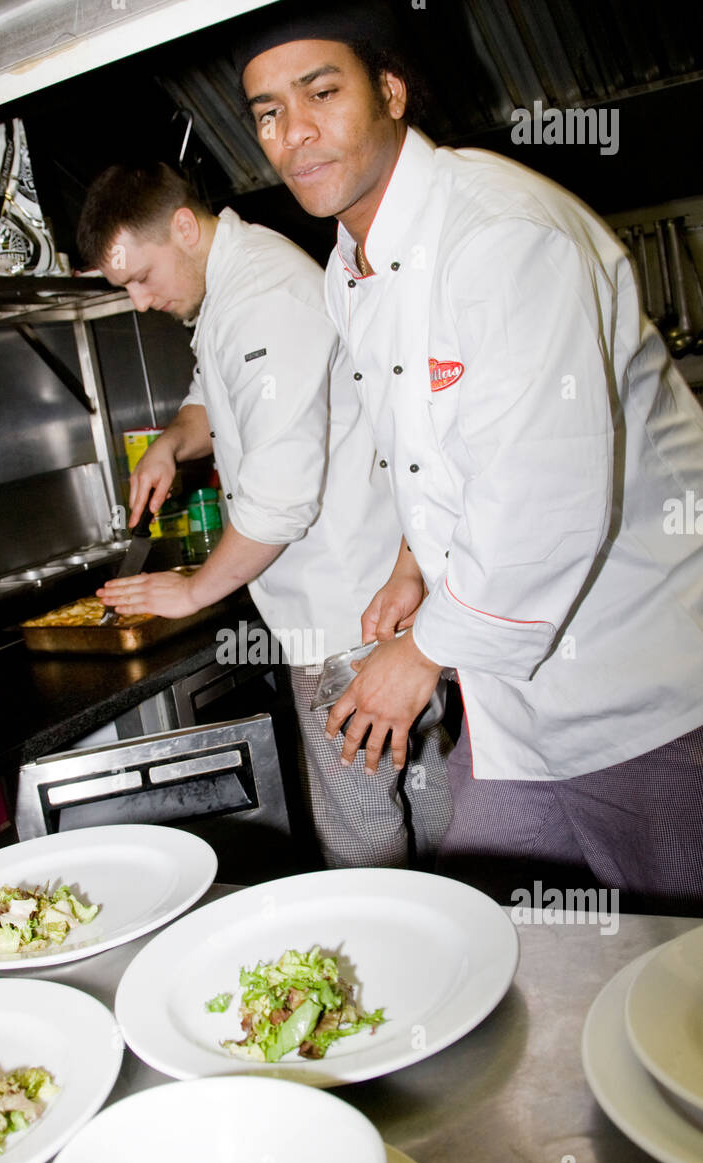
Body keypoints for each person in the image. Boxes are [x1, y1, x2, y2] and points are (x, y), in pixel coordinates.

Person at [234, 8, 703, 913]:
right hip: (507, 701)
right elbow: (428, 448)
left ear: (392, 91)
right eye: (265, 114)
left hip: (638, 679)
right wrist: (414, 564)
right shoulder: (347, 270)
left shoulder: (501, 235)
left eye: (321, 93)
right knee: (497, 943)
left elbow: (545, 498)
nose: (292, 135)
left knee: (678, 978)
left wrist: (418, 656)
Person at [75, 163, 454, 870]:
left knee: (360, 834)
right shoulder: (232, 285)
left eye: (141, 277)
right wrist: (170, 444)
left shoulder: (263, 297)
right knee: (423, 803)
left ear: (183, 227)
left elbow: (281, 500)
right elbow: (212, 399)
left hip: (348, 619)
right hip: (372, 600)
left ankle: (391, 967)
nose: (138, 300)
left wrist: (189, 592)